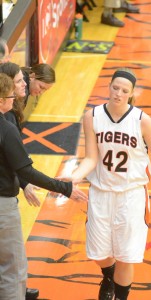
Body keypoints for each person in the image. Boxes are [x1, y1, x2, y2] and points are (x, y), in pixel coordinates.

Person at [63, 68, 151, 300]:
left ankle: (120, 296)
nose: (118, 93)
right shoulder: (92, 116)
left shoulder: (142, 120)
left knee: (126, 255)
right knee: (98, 253)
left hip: (131, 195)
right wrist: (76, 176)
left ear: (131, 94)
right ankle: (108, 273)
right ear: (109, 86)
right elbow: (91, 157)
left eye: (124, 91)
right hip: (100, 192)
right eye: (115, 88)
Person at [0, 72, 88, 300]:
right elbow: (26, 170)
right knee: (13, 268)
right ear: (0, 100)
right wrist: (64, 188)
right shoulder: (6, 129)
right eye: (10, 96)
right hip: (2, 208)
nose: (14, 100)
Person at [0, 61, 54, 299]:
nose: (28, 88)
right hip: (3, 201)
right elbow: (17, 160)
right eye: (20, 82)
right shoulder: (7, 122)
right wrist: (65, 187)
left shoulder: (12, 111)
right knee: (14, 265)